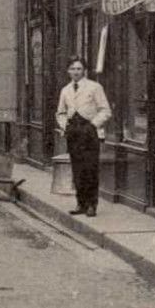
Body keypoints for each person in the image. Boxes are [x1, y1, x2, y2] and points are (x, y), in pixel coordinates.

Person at [56, 56, 111, 218]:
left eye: (79, 69)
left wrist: (93, 125)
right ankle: (81, 203)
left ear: (84, 70)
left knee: (90, 168)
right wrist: (65, 125)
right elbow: (60, 112)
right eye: (72, 69)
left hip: (89, 132)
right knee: (77, 168)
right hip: (73, 132)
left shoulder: (94, 87)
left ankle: (92, 205)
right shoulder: (65, 90)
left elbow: (105, 110)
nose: (76, 72)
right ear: (68, 71)